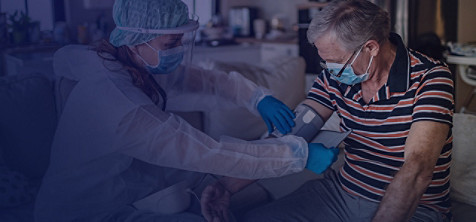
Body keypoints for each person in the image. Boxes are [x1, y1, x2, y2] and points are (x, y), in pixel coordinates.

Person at [33, 0, 339, 221]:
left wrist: (258, 98)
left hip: (125, 189)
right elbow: (202, 151)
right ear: (138, 39)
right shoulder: (116, 100)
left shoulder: (126, 62)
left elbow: (206, 81)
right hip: (84, 211)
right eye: (172, 42)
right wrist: (296, 156)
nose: (178, 49)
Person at [201, 1, 454, 222]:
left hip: (416, 207)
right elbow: (296, 130)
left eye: (336, 61)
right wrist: (227, 186)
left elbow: (418, 168)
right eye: (325, 61)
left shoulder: (431, 78)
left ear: (371, 48)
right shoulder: (336, 77)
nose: (330, 69)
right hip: (342, 193)